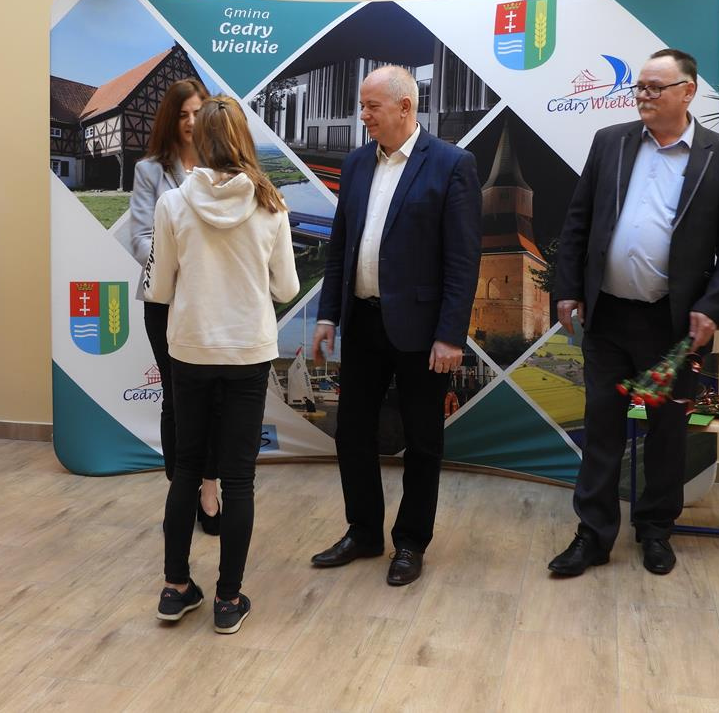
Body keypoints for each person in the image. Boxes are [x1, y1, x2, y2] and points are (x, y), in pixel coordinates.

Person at [549, 49, 719, 577]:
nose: (643, 95)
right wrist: (567, 289)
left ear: (688, 92)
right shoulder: (611, 142)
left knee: (666, 432)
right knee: (602, 427)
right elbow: (578, 220)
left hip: (674, 324)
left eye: (655, 87)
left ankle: (656, 530)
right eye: (639, 86)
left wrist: (712, 308)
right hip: (608, 316)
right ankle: (593, 536)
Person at [309, 65, 482, 586]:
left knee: (423, 439)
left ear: (405, 107)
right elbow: (341, 246)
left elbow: (462, 261)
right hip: (363, 321)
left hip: (423, 331)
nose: (362, 115)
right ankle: (363, 532)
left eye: (371, 106)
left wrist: (450, 335)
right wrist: (327, 314)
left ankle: (410, 542)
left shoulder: (452, 164)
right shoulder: (357, 162)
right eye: (362, 106)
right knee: (352, 432)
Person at [148, 95, 299, 634]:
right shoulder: (271, 204)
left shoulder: (172, 203)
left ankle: (175, 588)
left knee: (187, 471)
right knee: (239, 479)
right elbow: (287, 287)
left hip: (189, 348)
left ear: (200, 141)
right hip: (247, 352)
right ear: (243, 140)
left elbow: (158, 287)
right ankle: (228, 600)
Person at [130, 77, 222, 535]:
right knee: (176, 398)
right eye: (182, 114)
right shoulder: (149, 170)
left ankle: (210, 488)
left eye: (197, 113)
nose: (190, 122)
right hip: (165, 301)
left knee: (213, 399)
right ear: (170, 118)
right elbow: (140, 239)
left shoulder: (221, 165)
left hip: (213, 303)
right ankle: (182, 491)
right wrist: (185, 268)